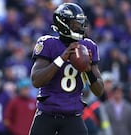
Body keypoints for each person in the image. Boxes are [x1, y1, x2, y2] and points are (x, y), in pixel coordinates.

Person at [29, 3, 104, 135]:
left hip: (73, 117)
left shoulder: (88, 47)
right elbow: (36, 81)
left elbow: (99, 91)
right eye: (76, 24)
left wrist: (88, 71)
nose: (80, 27)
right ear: (63, 24)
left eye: (81, 23)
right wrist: (61, 59)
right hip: (47, 115)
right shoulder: (48, 43)